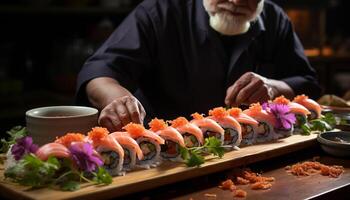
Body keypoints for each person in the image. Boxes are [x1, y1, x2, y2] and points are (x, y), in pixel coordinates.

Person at [76, 0, 321, 131]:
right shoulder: (159, 11)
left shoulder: (275, 19)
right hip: (165, 152)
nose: (236, 1)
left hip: (249, 151)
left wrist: (273, 86)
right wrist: (119, 100)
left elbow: (307, 83)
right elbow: (101, 72)